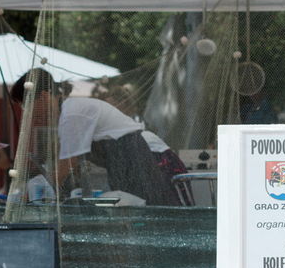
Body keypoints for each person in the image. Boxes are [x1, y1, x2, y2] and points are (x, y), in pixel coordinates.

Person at [10, 69, 181, 206]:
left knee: (145, 209)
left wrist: (33, 196)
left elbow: (66, 164)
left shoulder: (72, 113)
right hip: (123, 162)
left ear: (45, 96)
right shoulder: (66, 115)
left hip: (132, 158)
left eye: (26, 104)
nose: (27, 113)